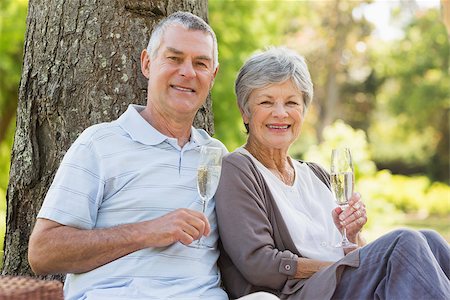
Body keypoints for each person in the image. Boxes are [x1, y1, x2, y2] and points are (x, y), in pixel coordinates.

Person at [28, 11, 278, 300]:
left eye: (200, 63)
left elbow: (256, 237)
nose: (188, 72)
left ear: (213, 75)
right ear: (147, 63)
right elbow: (42, 252)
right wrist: (147, 232)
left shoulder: (216, 155)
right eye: (174, 58)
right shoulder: (99, 143)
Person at [215, 47, 450, 300]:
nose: (281, 113)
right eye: (266, 102)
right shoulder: (238, 169)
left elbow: (356, 255)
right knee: (405, 243)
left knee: (430, 240)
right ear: (245, 111)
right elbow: (259, 264)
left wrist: (352, 236)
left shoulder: (317, 174)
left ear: (303, 111)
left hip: (343, 285)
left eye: (292, 102)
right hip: (302, 293)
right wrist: (342, 268)